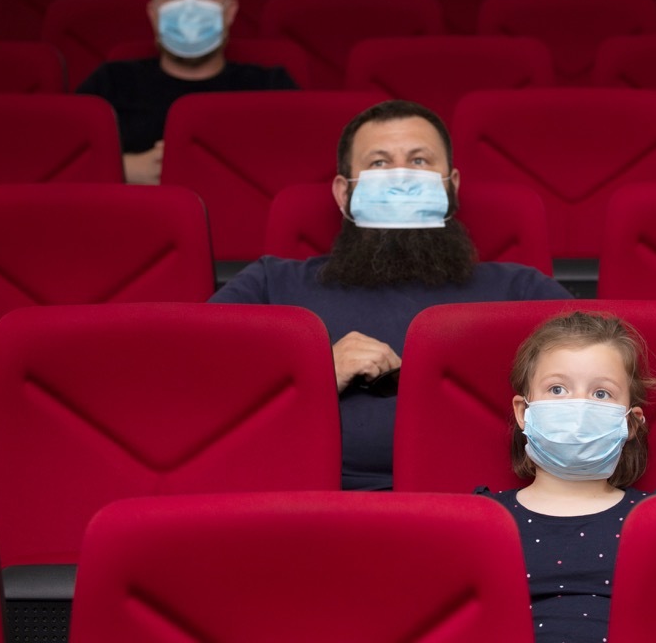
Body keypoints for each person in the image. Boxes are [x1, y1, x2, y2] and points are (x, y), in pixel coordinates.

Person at [211, 99, 572, 490]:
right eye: (379, 163)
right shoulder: (271, 282)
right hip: (311, 498)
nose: (401, 178)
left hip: (486, 499)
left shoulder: (519, 289)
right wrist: (313, 371)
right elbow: (193, 382)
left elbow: (606, 363)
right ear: (343, 192)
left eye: (419, 161)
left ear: (451, 185)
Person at [477, 311, 656, 643]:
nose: (578, 407)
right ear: (523, 412)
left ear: (630, 423)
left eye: (601, 394)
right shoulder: (483, 517)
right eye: (557, 389)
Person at [76, 0, 296, 184]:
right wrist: (124, 168)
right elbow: (61, 162)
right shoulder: (110, 84)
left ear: (230, 12)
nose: (189, 9)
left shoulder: (271, 87)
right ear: (154, 14)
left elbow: (305, 162)